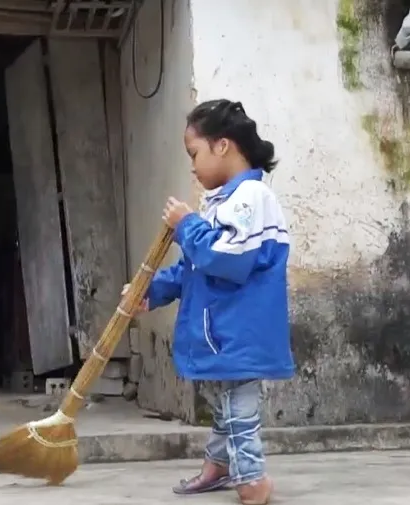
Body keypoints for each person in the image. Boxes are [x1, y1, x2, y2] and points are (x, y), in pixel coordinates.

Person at [126, 99, 294, 505]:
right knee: (228, 403)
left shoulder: (251, 197)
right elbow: (195, 268)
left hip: (240, 328)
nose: (192, 165)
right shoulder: (224, 202)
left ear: (223, 146)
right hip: (225, 329)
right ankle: (218, 466)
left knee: (237, 406)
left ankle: (252, 480)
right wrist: (153, 289)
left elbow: (227, 259)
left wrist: (187, 225)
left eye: (194, 153)